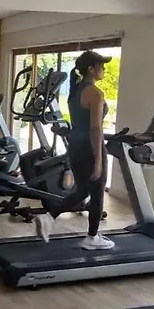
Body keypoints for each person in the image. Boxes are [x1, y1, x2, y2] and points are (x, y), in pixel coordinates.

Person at [34, 50, 114, 250]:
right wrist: (98, 161)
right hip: (90, 148)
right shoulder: (95, 93)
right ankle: (92, 237)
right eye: (101, 66)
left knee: (82, 191)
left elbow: (81, 123)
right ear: (91, 69)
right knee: (97, 193)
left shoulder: (75, 92)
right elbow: (95, 128)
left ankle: (48, 217)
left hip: (75, 148)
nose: (103, 70)